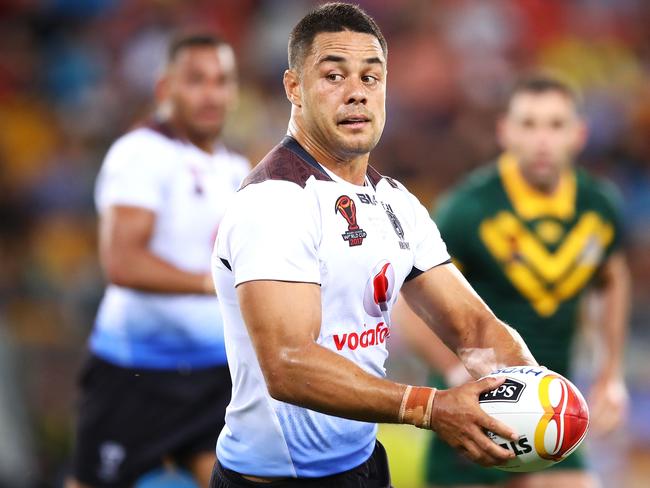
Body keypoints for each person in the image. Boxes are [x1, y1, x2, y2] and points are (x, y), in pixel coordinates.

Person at [209, 4, 539, 488]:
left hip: (362, 469)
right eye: (334, 76)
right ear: (293, 88)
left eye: (371, 77)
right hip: (275, 480)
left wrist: (535, 394)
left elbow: (473, 328)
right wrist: (430, 407)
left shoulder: (395, 203)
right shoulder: (275, 201)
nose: (356, 93)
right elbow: (288, 365)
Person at [394, 74, 630, 488]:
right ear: (505, 132)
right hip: (479, 408)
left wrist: (611, 372)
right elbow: (409, 303)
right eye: (529, 124)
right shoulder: (467, 209)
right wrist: (454, 371)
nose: (542, 140)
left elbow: (612, 276)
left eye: (555, 125)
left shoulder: (599, 206)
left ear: (579, 135)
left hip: (554, 410)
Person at [67, 33, 250, 488]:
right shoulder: (141, 154)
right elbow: (122, 263)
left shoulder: (235, 168)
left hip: (214, 372)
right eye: (196, 80)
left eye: (221, 80)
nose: (211, 93)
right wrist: (215, 284)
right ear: (165, 89)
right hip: (137, 373)